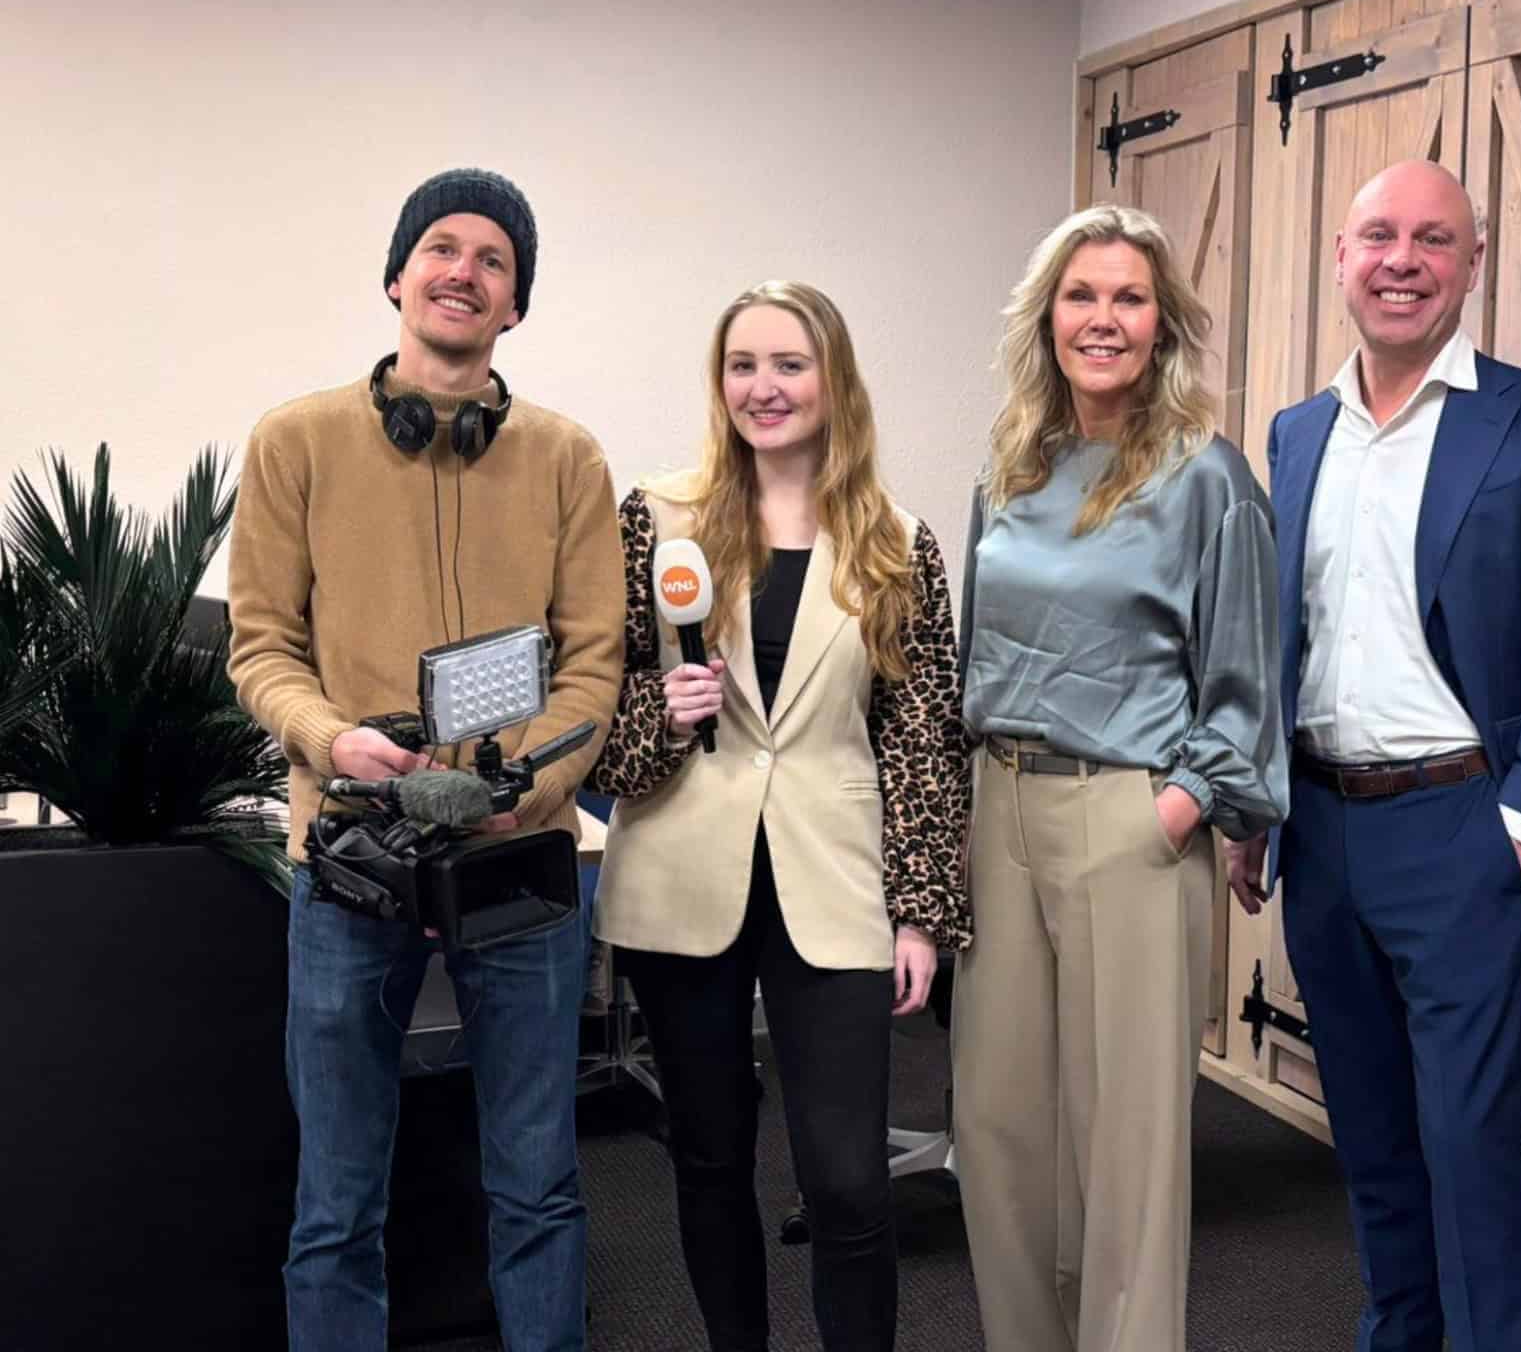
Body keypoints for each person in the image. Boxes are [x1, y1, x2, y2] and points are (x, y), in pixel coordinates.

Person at [1227, 160, 1521, 1352]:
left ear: (1472, 264)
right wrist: (1257, 804)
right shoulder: (1299, 432)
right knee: (1370, 1135)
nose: (1403, 260)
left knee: (1467, 1143)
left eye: (1434, 239)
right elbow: (1284, 636)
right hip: (1320, 828)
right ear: (1341, 259)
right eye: (1380, 236)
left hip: (1461, 828)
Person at [227, 168, 623, 1352]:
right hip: (353, 854)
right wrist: (329, 739)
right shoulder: (296, 442)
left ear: (517, 304)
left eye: (494, 259)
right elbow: (262, 646)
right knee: (337, 1199)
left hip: (520, 858)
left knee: (538, 1185)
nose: (464, 271)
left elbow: (594, 665)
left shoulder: (568, 458)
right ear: (396, 277)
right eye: (441, 247)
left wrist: (524, 789)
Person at [586, 280, 971, 1352]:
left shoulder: (897, 542)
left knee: (848, 1181)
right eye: (742, 365)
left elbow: (923, 738)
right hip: (681, 876)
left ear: (834, 379)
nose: (764, 387)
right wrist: (661, 715)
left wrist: (923, 913)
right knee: (709, 1158)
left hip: (836, 881)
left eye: (789, 365)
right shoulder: (655, 519)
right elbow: (595, 713)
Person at [953, 203, 1286, 1352]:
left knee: (1127, 1150)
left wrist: (1184, 805)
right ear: (1047, 318)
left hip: (1131, 817)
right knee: (997, 1128)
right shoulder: (1010, 466)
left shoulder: (1206, 479)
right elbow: (976, 650)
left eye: (1129, 298)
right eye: (1082, 296)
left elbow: (1247, 677)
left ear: (1163, 325)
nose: (1103, 319)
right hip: (1002, 805)